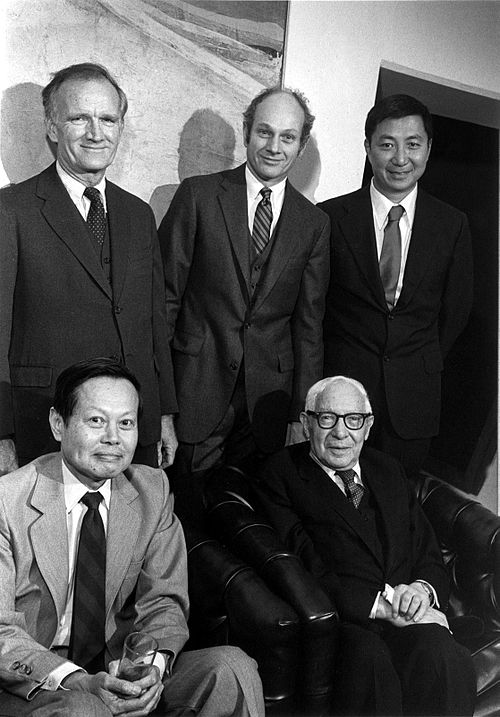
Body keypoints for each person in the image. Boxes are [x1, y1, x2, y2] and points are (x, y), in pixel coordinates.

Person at [0, 357, 264, 717]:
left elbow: (163, 603)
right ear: (58, 424)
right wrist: (76, 679)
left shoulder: (151, 491)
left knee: (232, 667)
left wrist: (149, 669)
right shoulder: (8, 500)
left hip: (118, 668)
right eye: (96, 421)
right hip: (39, 682)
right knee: (83, 709)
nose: (113, 438)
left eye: (126, 423)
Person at [256, 376, 476, 716]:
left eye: (353, 420)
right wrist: (379, 607)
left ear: (368, 427)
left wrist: (422, 591)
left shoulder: (387, 469)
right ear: (306, 423)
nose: (340, 433)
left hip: (407, 617)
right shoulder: (282, 474)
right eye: (327, 418)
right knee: (369, 660)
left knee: (447, 656)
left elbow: (427, 551)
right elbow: (302, 566)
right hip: (346, 621)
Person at [0, 63, 177, 475]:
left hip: (129, 430)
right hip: (43, 426)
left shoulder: (137, 214)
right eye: (80, 118)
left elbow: (153, 324)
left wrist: (163, 412)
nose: (96, 133)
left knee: (127, 536)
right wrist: (1, 432)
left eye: (108, 119)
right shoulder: (11, 211)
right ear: (52, 127)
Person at [158, 86, 330, 483]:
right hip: (194, 393)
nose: (274, 146)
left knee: (247, 520)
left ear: (300, 146)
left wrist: (300, 415)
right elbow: (164, 303)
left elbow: (309, 329)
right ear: (248, 131)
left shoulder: (314, 225)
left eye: (287, 137)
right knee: (185, 515)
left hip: (268, 408)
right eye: (264, 133)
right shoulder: (199, 196)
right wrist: (160, 402)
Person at [318, 94, 473, 477]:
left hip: (414, 402)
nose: (401, 158)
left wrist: (417, 359)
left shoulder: (452, 225)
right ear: (368, 147)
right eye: (387, 144)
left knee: (394, 506)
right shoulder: (330, 217)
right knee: (331, 501)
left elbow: (457, 311)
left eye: (413, 144)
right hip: (341, 395)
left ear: (429, 148)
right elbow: (313, 309)